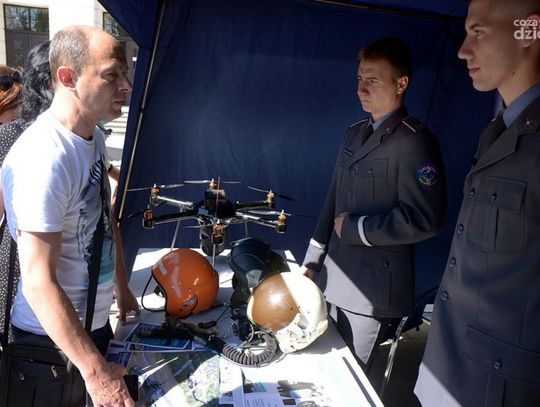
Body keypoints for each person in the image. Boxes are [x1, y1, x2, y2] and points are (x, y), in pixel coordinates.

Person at [1, 26, 135, 406]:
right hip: (49, 350)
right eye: (112, 75)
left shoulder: (92, 139)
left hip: (90, 330)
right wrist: (96, 373)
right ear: (68, 77)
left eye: (125, 74)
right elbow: (38, 281)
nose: (126, 86)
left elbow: (104, 222)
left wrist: (122, 288)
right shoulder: (44, 157)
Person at [415, 1, 540, 405]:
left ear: (528, 31)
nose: (462, 50)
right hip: (452, 366)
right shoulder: (496, 130)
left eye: (479, 32)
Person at [301, 37, 445, 370]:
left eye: (373, 80)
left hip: (372, 291)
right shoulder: (353, 134)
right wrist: (313, 261)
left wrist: (357, 228)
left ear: (401, 84)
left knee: (347, 374)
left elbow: (425, 218)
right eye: (359, 79)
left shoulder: (415, 141)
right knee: (318, 367)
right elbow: (333, 198)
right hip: (332, 277)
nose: (361, 89)